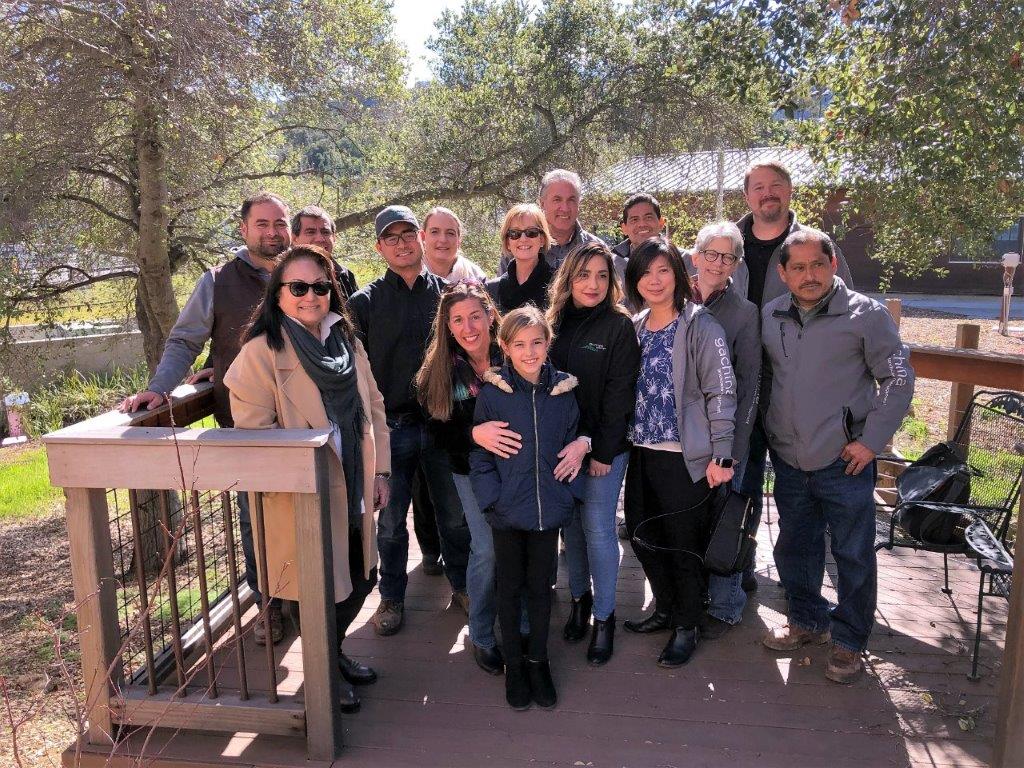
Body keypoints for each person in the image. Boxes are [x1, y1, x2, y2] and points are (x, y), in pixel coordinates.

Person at [223, 244, 390, 713]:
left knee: (362, 575)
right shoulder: (260, 355)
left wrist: (381, 471)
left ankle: (331, 656)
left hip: (354, 486)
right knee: (316, 589)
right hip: (303, 497)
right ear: (278, 295)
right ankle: (322, 676)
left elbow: (373, 406)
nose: (310, 296)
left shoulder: (346, 342)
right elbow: (256, 437)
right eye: (297, 287)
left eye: (319, 286)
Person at [119, 191, 291, 646]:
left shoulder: (306, 274)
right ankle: (269, 605)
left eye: (280, 224)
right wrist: (159, 389)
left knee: (306, 515)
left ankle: (307, 600)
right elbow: (184, 342)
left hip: (304, 422)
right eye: (263, 224)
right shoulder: (217, 281)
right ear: (244, 229)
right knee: (254, 518)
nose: (273, 233)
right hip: (243, 424)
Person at [760, 227, 913, 684]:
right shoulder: (771, 316)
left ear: (833, 265)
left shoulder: (866, 315)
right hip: (788, 458)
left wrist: (872, 441)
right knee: (794, 547)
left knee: (852, 553)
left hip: (845, 461)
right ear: (784, 274)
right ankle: (807, 621)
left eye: (818, 265)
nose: (810, 275)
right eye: (799, 267)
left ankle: (849, 640)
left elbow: (899, 378)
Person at [348, 205, 471, 636]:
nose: (401, 243)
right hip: (391, 428)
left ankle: (463, 585)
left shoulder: (447, 296)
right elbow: (355, 373)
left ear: (420, 238)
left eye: (408, 234)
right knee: (391, 521)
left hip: (441, 424)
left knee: (453, 515)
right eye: (391, 237)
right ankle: (392, 598)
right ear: (380, 247)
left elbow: (463, 358)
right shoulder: (364, 303)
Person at [733, 160, 855, 593]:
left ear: (789, 192)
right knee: (739, 488)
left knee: (799, 501)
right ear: (747, 195)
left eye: (776, 186)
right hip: (738, 392)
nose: (768, 194)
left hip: (797, 395)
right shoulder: (727, 244)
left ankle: (803, 593)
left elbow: (847, 316)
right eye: (759, 187)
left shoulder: (812, 247)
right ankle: (737, 568)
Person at [621, 238, 736, 667]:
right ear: (635, 280)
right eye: (645, 272)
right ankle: (666, 607)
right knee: (642, 533)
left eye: (663, 270)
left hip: (686, 456)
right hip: (642, 451)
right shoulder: (634, 326)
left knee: (683, 544)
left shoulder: (701, 326)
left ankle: (688, 623)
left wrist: (721, 454)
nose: (654, 279)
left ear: (678, 275)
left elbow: (721, 392)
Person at [470, 306, 586, 710]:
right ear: (504, 347)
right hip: (506, 512)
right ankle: (515, 665)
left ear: (548, 343)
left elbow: (573, 443)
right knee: (509, 587)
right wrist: (492, 499)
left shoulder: (564, 394)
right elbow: (480, 458)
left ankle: (539, 659)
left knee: (542, 588)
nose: (529, 351)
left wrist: (567, 492)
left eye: (537, 342)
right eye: (519, 344)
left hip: (548, 512)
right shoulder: (493, 394)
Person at [546, 241, 640, 665]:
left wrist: (600, 449)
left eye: (602, 275)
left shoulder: (618, 327)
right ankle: (579, 601)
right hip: (562, 450)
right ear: (569, 278)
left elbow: (621, 396)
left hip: (603, 450)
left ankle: (605, 617)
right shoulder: (555, 323)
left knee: (599, 530)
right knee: (572, 531)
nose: (593, 284)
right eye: (584, 275)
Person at [415, 281, 511, 675]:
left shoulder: (515, 353)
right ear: (447, 326)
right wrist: (474, 433)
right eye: (458, 320)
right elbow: (438, 433)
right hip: (469, 471)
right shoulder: (438, 373)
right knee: (486, 549)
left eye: (475, 316)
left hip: (517, 471)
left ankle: (519, 622)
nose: (468, 327)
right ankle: (483, 634)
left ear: (490, 315)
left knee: (519, 544)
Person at [688, 222, 761, 640]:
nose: (718, 263)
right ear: (695, 257)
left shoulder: (744, 312)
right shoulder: (677, 299)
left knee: (726, 521)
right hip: (682, 436)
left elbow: (750, 384)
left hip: (725, 436)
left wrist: (733, 447)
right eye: (710, 254)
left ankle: (726, 604)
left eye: (728, 257)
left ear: (736, 264)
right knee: (692, 520)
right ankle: (688, 597)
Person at [498, 169, 599, 273]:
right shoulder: (521, 246)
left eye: (571, 200)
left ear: (579, 204)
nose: (565, 208)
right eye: (557, 200)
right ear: (542, 203)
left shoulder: (596, 248)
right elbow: (501, 287)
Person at [486, 204, 556, 313]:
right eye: (515, 233)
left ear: (542, 239)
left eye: (531, 232)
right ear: (508, 242)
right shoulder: (492, 290)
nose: (523, 239)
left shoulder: (558, 285)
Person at [291, 205, 359, 298]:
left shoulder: (345, 275)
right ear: (294, 239)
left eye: (325, 232)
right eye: (310, 232)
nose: (320, 239)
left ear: (334, 237)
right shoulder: (283, 277)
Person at [611, 193, 667, 291]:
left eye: (648, 217)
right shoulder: (611, 265)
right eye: (634, 219)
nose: (642, 224)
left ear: (661, 223)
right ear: (624, 228)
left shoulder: (685, 260)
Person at [421, 206, 487, 282]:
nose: (443, 239)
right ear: (423, 236)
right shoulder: (409, 274)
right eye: (434, 232)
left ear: (459, 239)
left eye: (450, 233)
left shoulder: (476, 277)